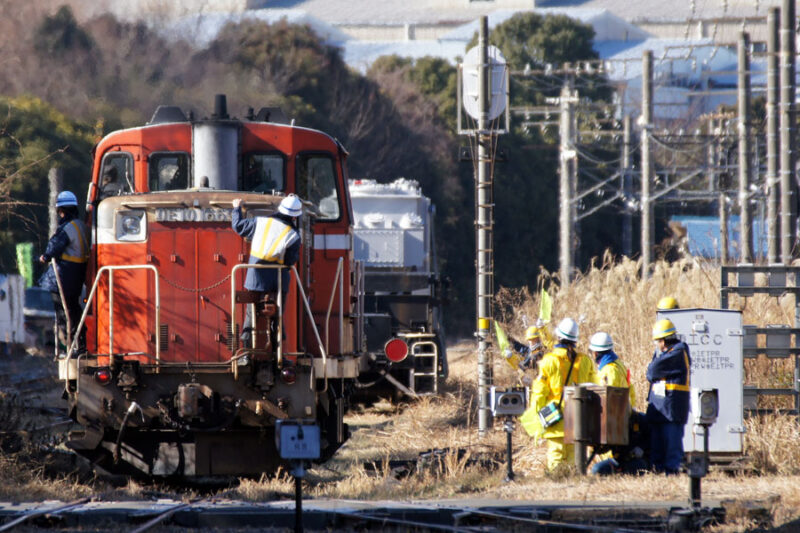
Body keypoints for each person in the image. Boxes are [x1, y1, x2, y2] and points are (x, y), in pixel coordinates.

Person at [525, 317, 597, 471]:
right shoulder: (585, 361)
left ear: (558, 336)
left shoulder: (549, 361)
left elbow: (539, 393)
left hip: (555, 418)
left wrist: (537, 421)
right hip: (578, 418)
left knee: (556, 455)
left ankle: (557, 487)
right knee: (574, 457)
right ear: (575, 339)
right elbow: (594, 388)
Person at [231, 194, 303, 345]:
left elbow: (238, 226)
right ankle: (277, 348)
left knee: (250, 313)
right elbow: (290, 261)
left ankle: (246, 348)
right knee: (278, 314)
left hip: (254, 277)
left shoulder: (261, 222)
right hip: (277, 281)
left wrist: (236, 208)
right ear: (295, 217)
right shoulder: (294, 236)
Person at [587, 331, 644, 475]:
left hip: (614, 420)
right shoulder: (619, 365)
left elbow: (607, 397)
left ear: (597, 353)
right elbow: (631, 390)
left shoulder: (608, 370)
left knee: (607, 452)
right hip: (624, 415)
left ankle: (610, 470)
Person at [38, 190, 89, 351]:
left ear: (61, 211)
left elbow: (54, 248)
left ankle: (70, 344)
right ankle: (80, 343)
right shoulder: (82, 226)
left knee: (63, 313)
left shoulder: (66, 228)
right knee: (74, 310)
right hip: (77, 277)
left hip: (63, 277)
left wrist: (44, 257)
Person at [646, 318, 691, 474]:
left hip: (671, 409)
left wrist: (653, 366)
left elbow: (651, 372)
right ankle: (657, 472)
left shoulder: (678, 352)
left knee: (672, 448)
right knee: (657, 448)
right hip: (661, 409)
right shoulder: (666, 354)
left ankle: (672, 473)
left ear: (664, 340)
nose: (657, 345)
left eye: (658, 341)